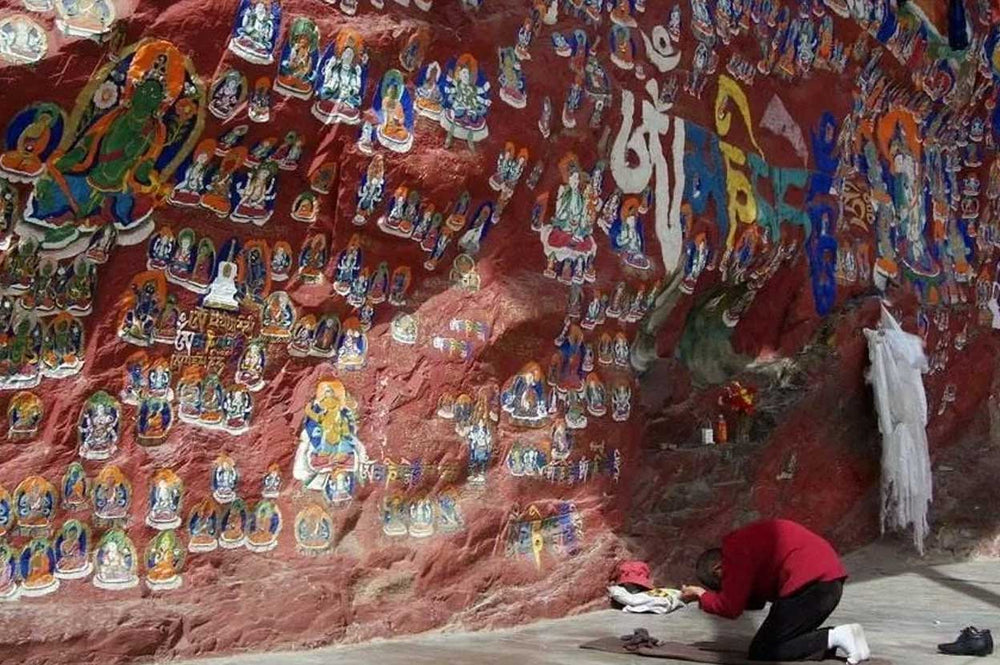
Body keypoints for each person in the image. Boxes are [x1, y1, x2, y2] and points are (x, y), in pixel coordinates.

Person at [680, 519, 870, 664]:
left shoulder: (734, 551)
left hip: (811, 586)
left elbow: (731, 607)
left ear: (718, 569)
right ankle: (839, 641)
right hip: (828, 583)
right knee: (783, 637)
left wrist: (701, 595)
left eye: (723, 583)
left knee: (763, 650)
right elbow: (755, 601)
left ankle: (837, 636)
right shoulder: (746, 543)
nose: (728, 586)